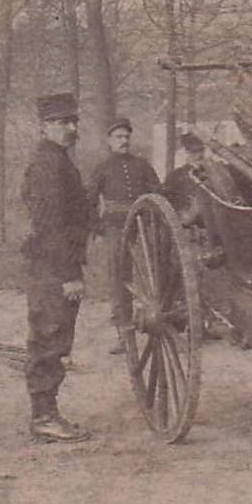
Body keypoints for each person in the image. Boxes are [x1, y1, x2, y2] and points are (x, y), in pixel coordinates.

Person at [20, 92, 94, 443]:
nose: (71, 127)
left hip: (54, 264)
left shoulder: (58, 160)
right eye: (63, 122)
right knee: (49, 336)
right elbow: (50, 226)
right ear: (44, 126)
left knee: (56, 335)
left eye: (74, 120)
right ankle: (44, 417)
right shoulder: (48, 165)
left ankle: (47, 413)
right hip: (52, 268)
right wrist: (69, 274)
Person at [90, 117, 162, 354]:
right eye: (118, 137)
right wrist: (98, 226)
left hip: (143, 227)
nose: (124, 141)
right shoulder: (102, 168)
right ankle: (123, 334)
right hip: (116, 229)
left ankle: (162, 322)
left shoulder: (141, 165)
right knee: (119, 279)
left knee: (153, 274)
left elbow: (158, 192)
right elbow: (89, 201)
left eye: (126, 137)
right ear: (109, 141)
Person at [162, 131, 208, 224]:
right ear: (186, 152)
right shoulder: (175, 176)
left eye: (201, 150)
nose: (199, 155)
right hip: (187, 224)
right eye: (194, 152)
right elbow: (168, 205)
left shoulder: (211, 173)